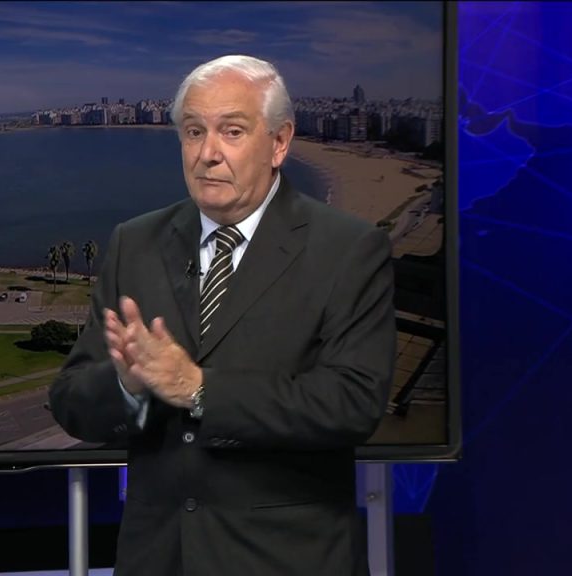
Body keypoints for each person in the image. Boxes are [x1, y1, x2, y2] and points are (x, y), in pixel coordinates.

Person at [48, 54, 396, 575]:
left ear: (279, 143)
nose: (207, 154)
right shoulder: (135, 243)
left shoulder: (348, 249)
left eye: (232, 131)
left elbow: (353, 403)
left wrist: (199, 389)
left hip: (287, 561)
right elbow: (70, 399)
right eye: (194, 132)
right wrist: (128, 387)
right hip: (158, 560)